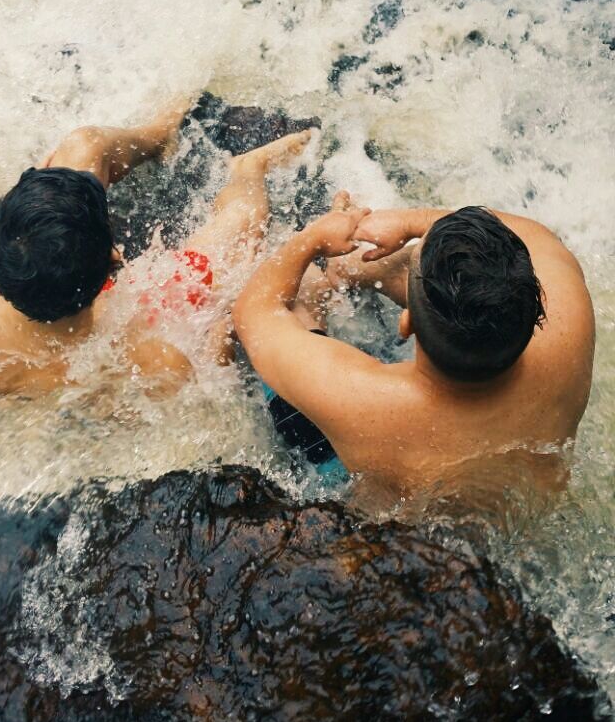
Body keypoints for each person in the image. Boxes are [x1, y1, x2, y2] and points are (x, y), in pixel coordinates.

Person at [0, 99, 311, 398]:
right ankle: (248, 170)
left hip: (33, 293)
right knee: (236, 227)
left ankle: (157, 136)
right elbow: (212, 394)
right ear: (116, 258)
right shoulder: (148, 358)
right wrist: (224, 329)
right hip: (121, 319)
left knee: (85, 146)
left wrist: (41, 201)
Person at [233, 194, 595, 498]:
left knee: (301, 298)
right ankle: (356, 268)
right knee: (402, 268)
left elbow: (254, 312)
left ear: (405, 323)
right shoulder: (569, 327)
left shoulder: (360, 397)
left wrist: (309, 239)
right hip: (502, 505)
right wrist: (412, 222)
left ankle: (337, 270)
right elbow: (533, 235)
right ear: (535, 312)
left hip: (354, 492)